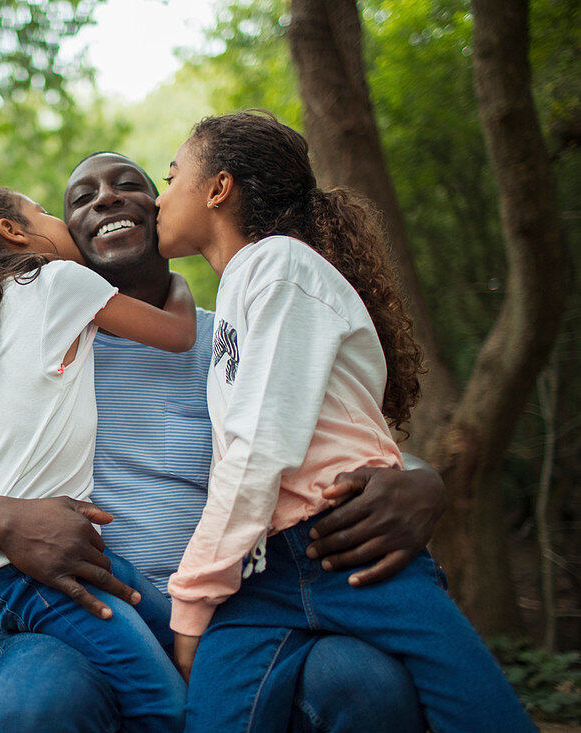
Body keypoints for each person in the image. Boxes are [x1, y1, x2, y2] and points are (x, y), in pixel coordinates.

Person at [0, 151, 446, 732]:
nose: (106, 197)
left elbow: (353, 438)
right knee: (41, 707)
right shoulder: (11, 351)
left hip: (248, 612)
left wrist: (421, 481)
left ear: (166, 210)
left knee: (367, 687)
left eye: (129, 184)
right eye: (79, 198)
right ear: (65, 239)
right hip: (74, 615)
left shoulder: (236, 338)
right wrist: (8, 522)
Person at [155, 111, 533, 732]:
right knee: (215, 718)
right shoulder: (239, 292)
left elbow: (259, 446)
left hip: (351, 546)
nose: (161, 195)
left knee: (482, 715)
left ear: (218, 188)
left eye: (171, 178)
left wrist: (192, 596)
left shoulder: (279, 265)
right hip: (263, 570)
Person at [0, 184, 195, 731]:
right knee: (166, 704)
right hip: (39, 569)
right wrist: (177, 281)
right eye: (46, 212)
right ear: (14, 233)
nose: (56, 220)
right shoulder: (59, 282)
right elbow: (177, 334)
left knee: (179, 634)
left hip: (2, 572)